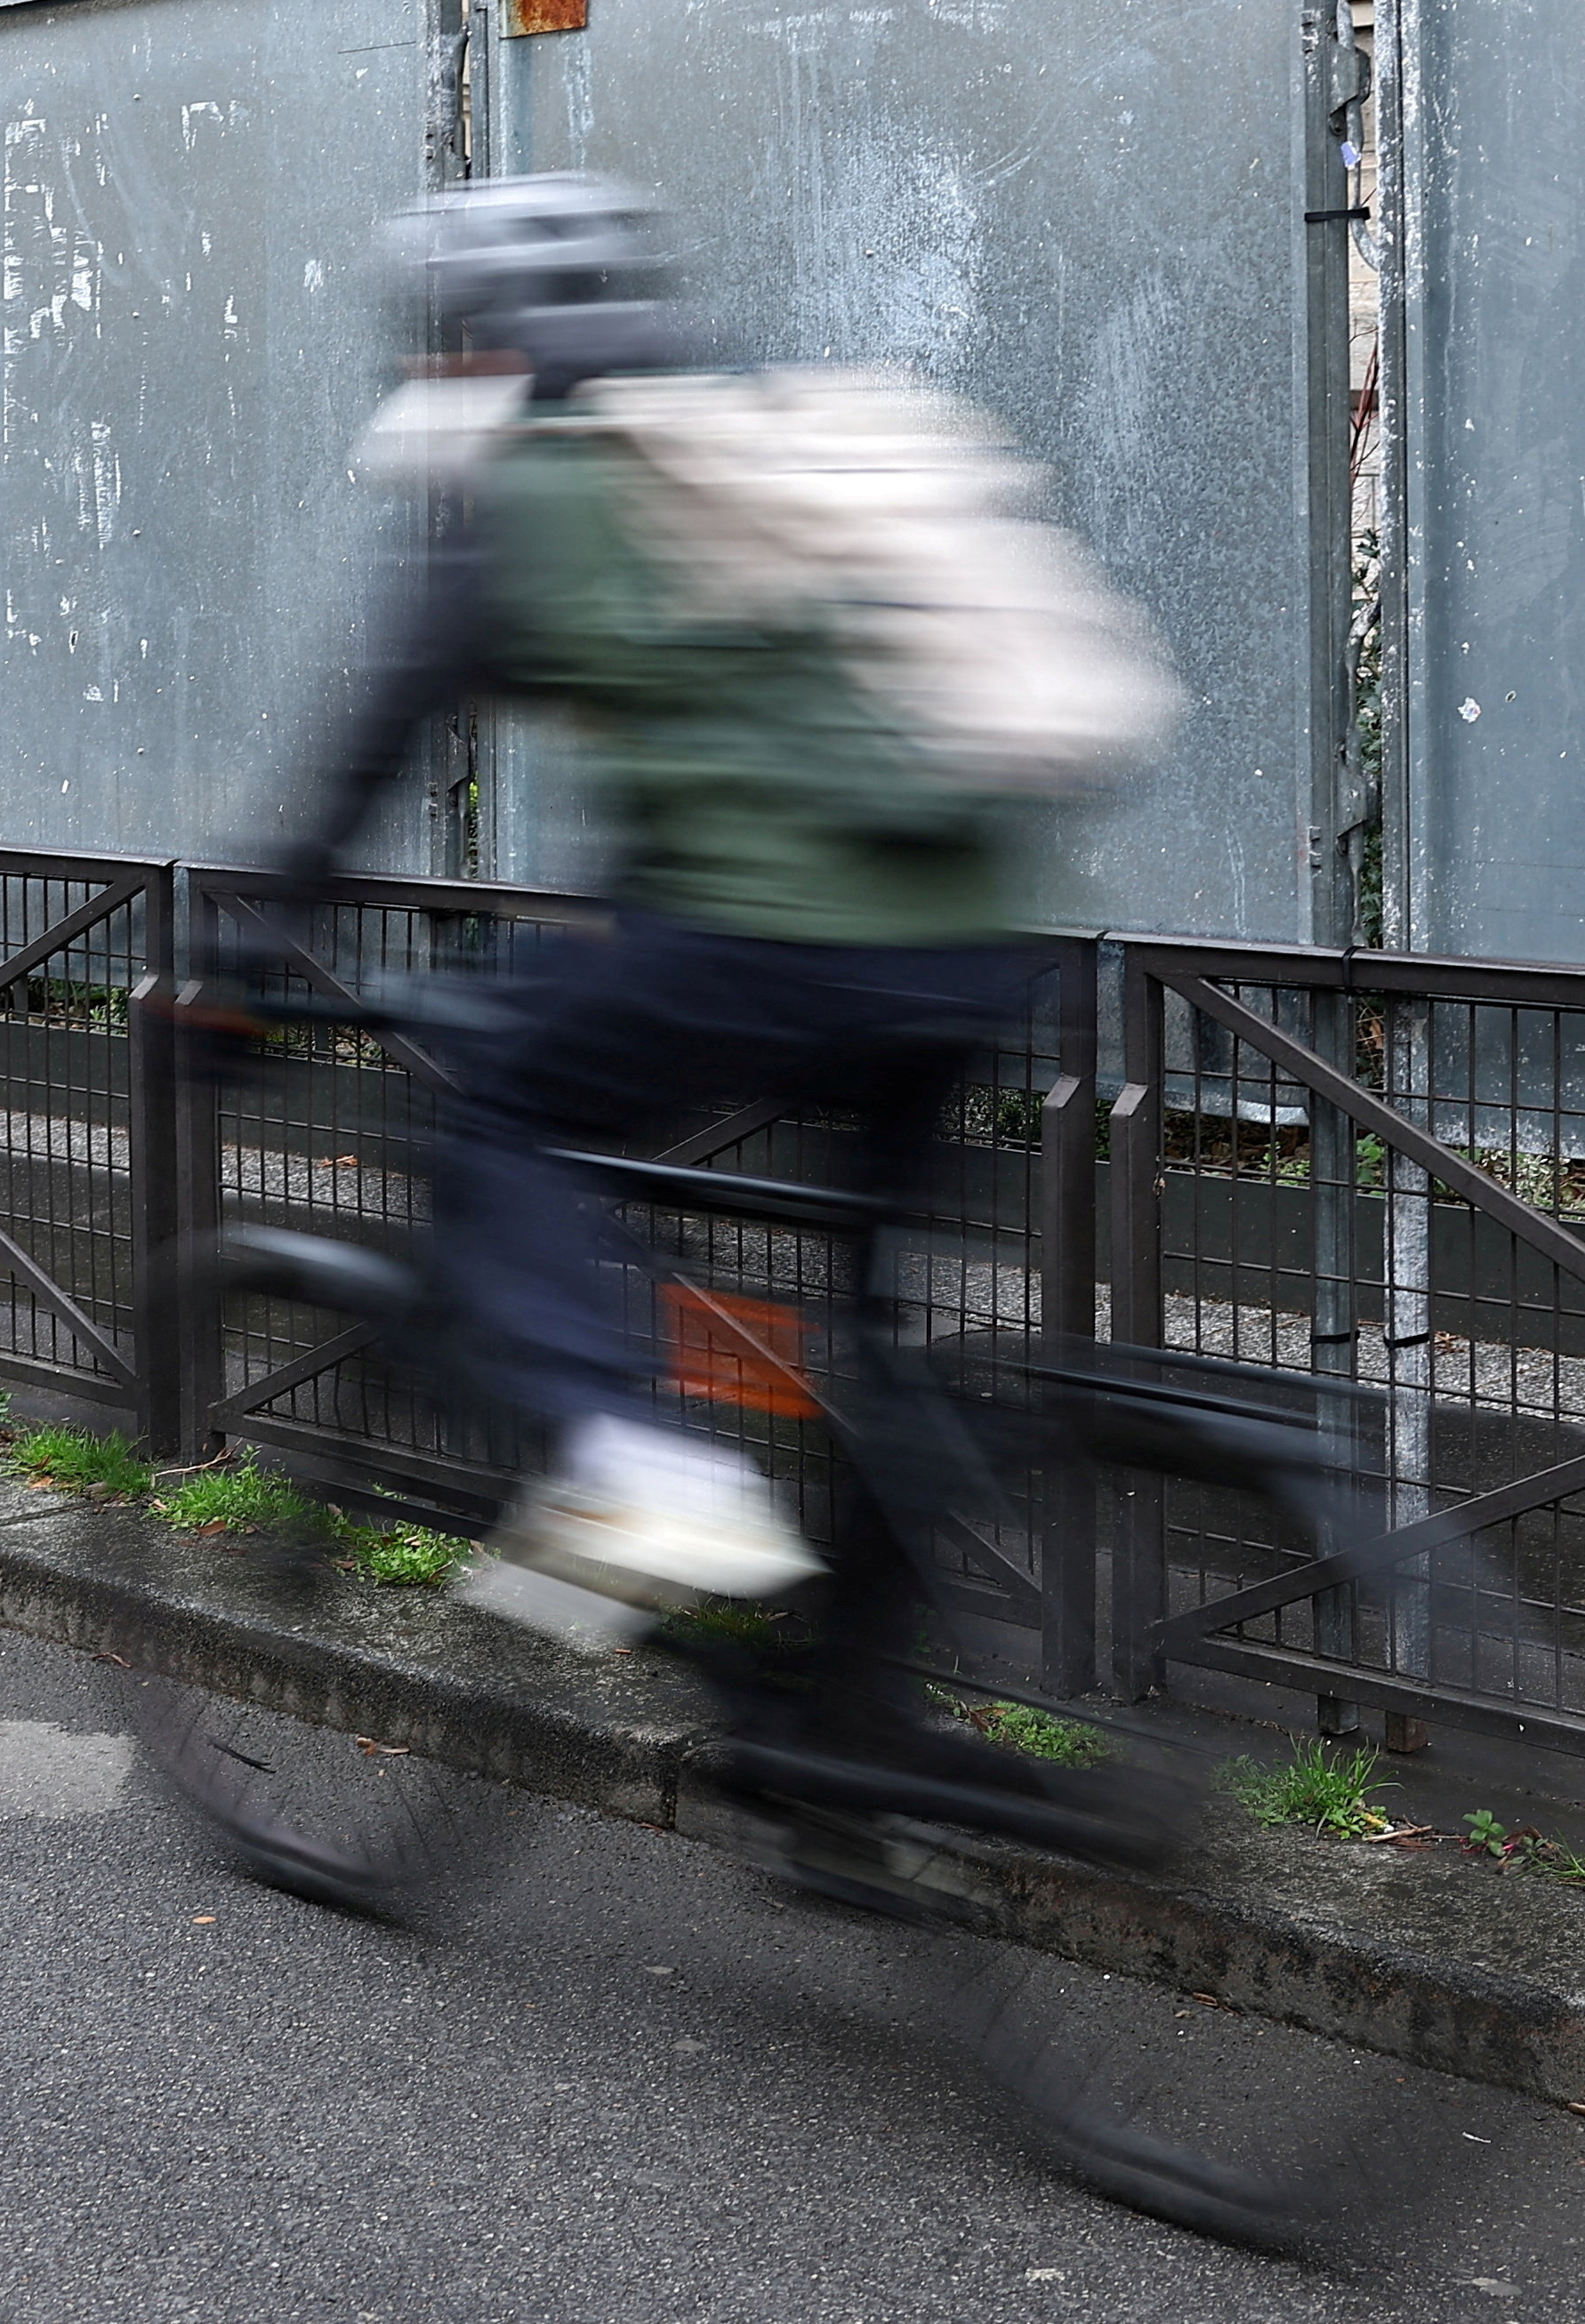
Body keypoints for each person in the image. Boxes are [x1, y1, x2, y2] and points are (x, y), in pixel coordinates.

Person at [254, 175, 1062, 1637]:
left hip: (772, 940)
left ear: (469, 339)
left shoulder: (538, 484)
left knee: (496, 1118)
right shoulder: (751, 441)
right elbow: (764, 735)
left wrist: (233, 957)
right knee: (866, 1337)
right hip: (976, 952)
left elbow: (364, 750)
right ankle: (857, 1742)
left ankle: (628, 1457)